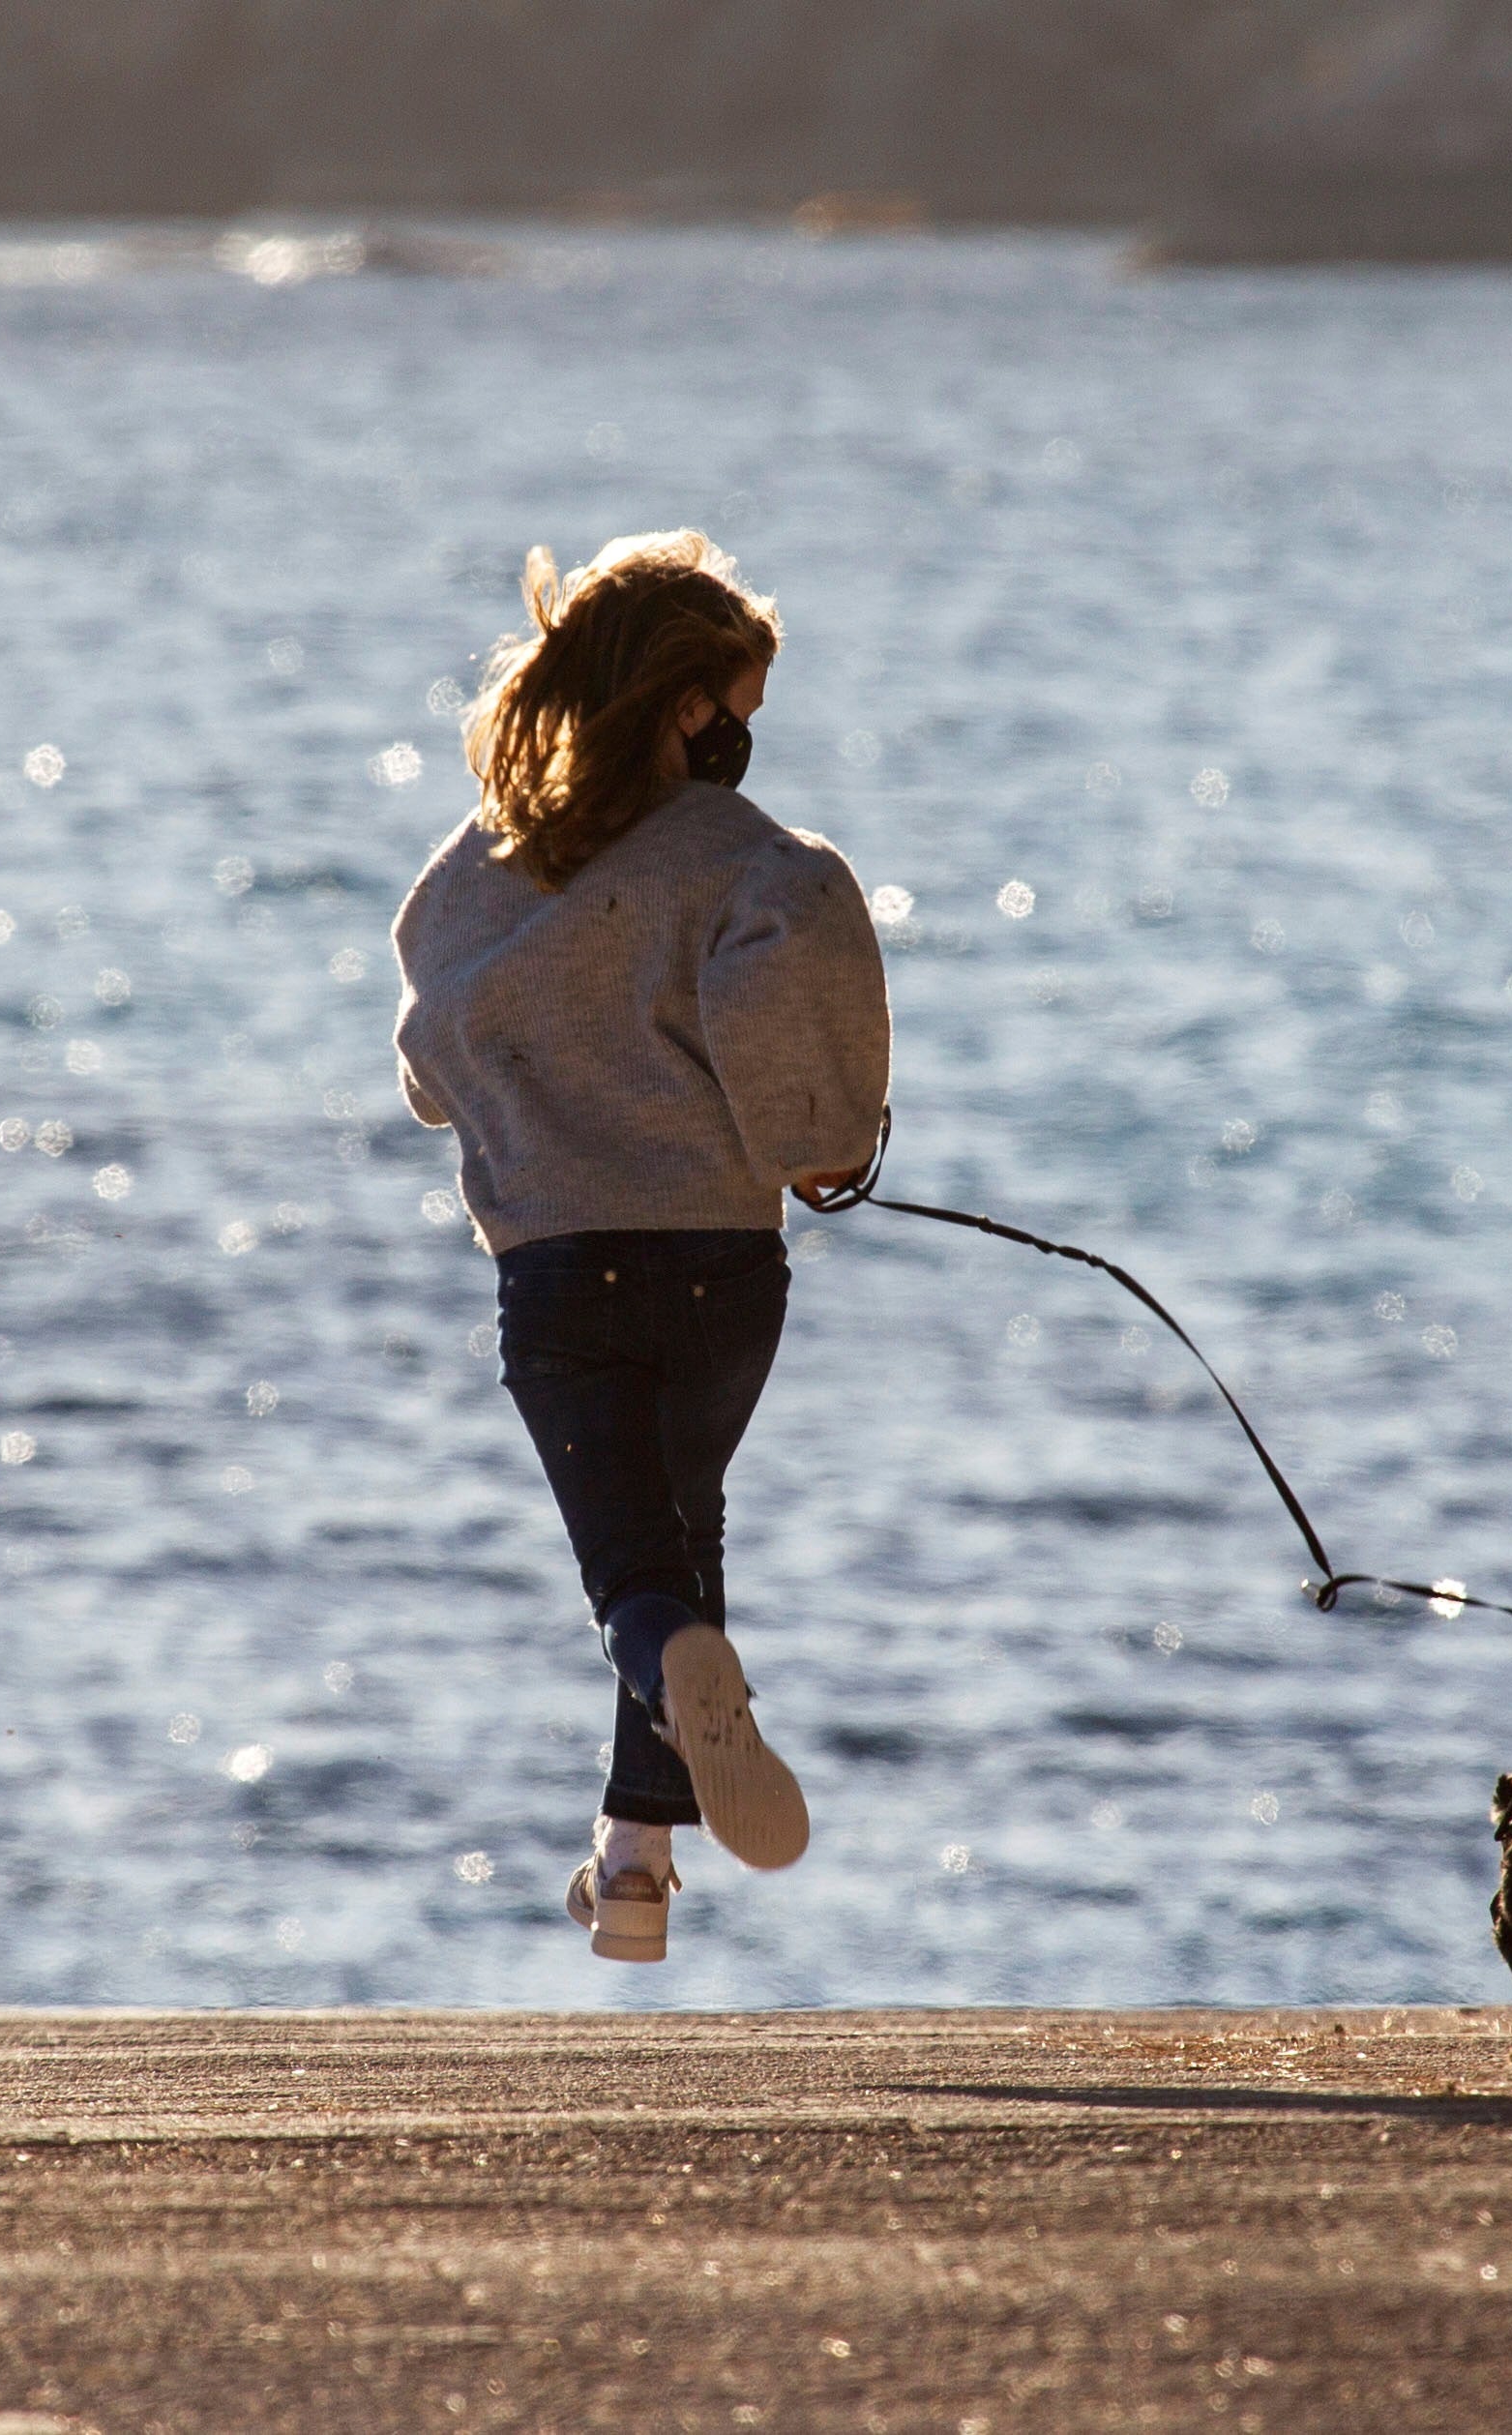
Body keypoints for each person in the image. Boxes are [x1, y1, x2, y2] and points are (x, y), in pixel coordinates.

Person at [391, 530, 889, 1964]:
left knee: (638, 1587)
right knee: (681, 1540)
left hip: (561, 1278)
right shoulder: (761, 863)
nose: (746, 739)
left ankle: (652, 1786)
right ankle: (635, 1863)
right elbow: (811, 1125)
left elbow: (432, 1075)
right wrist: (830, 1138)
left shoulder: (477, 877)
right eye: (739, 707)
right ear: (687, 706)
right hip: (729, 1277)